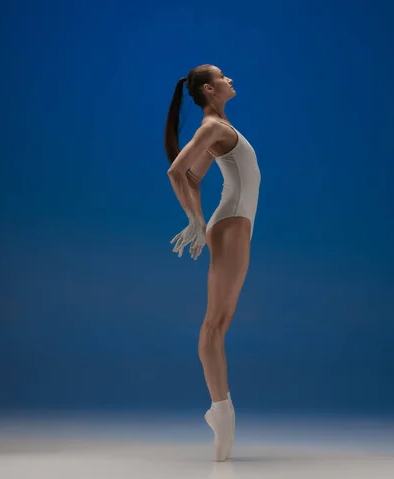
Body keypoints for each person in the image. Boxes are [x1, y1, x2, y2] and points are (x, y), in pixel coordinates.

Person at [163, 64, 261, 461]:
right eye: (223, 77)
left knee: (219, 324)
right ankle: (221, 413)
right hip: (232, 222)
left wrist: (199, 215)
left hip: (232, 222)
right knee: (215, 325)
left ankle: (221, 413)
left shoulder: (220, 127)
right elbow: (177, 170)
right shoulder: (212, 126)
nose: (230, 80)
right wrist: (194, 218)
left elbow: (195, 177)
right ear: (209, 88)